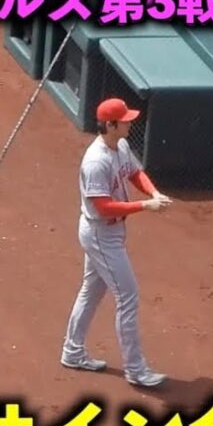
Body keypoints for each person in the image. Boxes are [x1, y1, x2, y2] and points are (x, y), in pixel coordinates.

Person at [61, 98, 170, 388]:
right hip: (100, 234)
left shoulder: (119, 146)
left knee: (91, 291)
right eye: (124, 120)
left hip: (109, 232)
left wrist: (153, 192)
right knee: (128, 297)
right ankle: (136, 370)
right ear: (110, 125)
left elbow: (135, 173)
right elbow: (104, 207)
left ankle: (72, 351)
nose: (129, 122)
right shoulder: (96, 161)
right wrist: (145, 206)